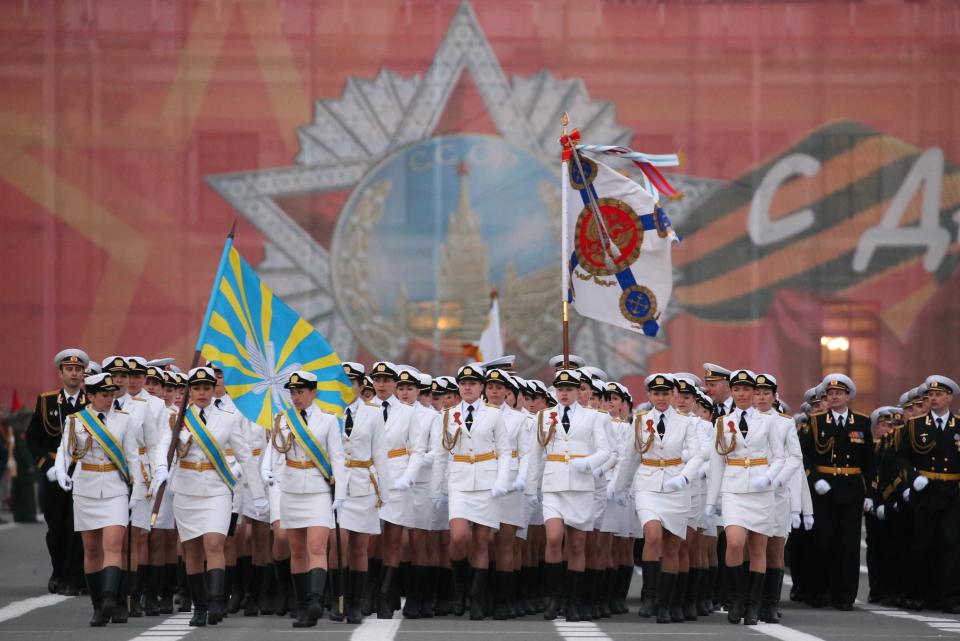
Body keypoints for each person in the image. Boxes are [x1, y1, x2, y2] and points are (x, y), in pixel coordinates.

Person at [151, 366, 267, 627]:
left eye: (206, 388)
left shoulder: (227, 417)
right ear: (189, 391)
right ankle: (200, 607)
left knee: (214, 543)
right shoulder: (177, 417)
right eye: (197, 388)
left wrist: (258, 495)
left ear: (213, 390)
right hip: (186, 489)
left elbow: (245, 456)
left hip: (217, 488)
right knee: (191, 549)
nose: (202, 393)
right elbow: (163, 446)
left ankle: (216, 600)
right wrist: (160, 468)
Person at [612, 374, 702, 624]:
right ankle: (651, 596)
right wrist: (618, 487)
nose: (661, 399)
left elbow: (697, 456)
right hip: (648, 483)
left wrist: (684, 478)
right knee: (652, 535)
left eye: (665, 393)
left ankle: (666, 602)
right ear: (649, 396)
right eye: (656, 394)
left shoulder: (687, 423)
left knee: (672, 546)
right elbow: (630, 457)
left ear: (673, 395)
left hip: (676, 484)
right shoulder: (640, 421)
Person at [52, 372, 140, 626]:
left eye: (112, 394)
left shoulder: (124, 420)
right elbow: (64, 452)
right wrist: (60, 471)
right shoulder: (76, 421)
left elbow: (132, 457)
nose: (109, 399)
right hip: (86, 487)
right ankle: (97, 605)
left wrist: (136, 491)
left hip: (115, 487)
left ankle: (111, 598)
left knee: (113, 544)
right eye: (104, 395)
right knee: (91, 549)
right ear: (90, 396)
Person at [262, 370, 347, 627]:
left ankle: (314, 601)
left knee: (317, 547)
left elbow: (338, 458)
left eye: (301, 392)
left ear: (313, 392)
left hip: (318, 489)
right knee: (296, 550)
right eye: (293, 392)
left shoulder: (328, 421)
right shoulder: (283, 419)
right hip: (290, 488)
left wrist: (340, 492)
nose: (296, 397)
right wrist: (266, 470)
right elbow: (274, 451)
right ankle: (301, 608)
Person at [525, 369, 610, 622]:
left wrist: (589, 463)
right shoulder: (544, 417)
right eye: (560, 389)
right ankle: (553, 598)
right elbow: (535, 456)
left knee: (576, 544)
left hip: (582, 485)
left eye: (569, 389)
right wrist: (532, 489)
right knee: (553, 539)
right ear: (555, 391)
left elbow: (607, 450)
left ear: (578, 392)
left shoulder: (594, 418)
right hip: (553, 485)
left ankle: (573, 600)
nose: (564, 393)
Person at [431, 363, 511, 620]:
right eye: (463, 384)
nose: (467, 387)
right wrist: (437, 489)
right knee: (458, 538)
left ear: (481, 388)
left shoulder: (494, 414)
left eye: (473, 384)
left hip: (487, 481)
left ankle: (476, 598)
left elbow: (505, 451)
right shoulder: (448, 415)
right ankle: (461, 587)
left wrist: (502, 480)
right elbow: (441, 455)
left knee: (480, 541)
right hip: (460, 481)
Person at [705, 369, 785, 626]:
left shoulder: (769, 421)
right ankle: (737, 599)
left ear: (753, 392)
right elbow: (717, 462)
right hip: (734, 487)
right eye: (737, 389)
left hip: (761, 488)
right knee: (735, 543)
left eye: (746, 389)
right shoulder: (722, 422)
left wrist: (769, 477)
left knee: (758, 547)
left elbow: (781, 456)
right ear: (732, 391)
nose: (741, 394)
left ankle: (753, 604)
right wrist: (711, 500)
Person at [799, 373, 874, 611]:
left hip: (851, 489)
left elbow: (869, 461)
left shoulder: (861, 423)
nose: (834, 397)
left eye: (838, 394)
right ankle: (822, 591)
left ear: (847, 396)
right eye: (830, 394)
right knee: (824, 541)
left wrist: (871, 493)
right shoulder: (817, 422)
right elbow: (805, 457)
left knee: (849, 545)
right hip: (824, 489)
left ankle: (845, 595)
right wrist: (815, 479)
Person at [324, 362, 391, 623]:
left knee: (359, 547)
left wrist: (384, 491)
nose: (347, 387)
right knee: (336, 543)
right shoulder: (327, 412)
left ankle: (354, 603)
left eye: (352, 382)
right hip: (335, 484)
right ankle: (336, 599)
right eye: (343, 382)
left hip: (363, 482)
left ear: (361, 385)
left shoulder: (373, 414)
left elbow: (380, 454)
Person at [27, 348, 89, 596]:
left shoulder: (90, 401)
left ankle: (75, 577)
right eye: (70, 369)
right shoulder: (47, 401)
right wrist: (47, 467)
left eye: (78, 369)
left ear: (84, 373)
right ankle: (58, 572)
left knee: (77, 526)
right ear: (61, 373)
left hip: (82, 471)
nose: (74, 373)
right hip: (54, 472)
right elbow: (33, 438)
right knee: (56, 527)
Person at [896, 375, 960, 613]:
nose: (933, 399)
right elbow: (901, 457)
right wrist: (913, 478)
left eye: (939, 395)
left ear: (949, 398)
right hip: (925, 493)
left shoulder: (958, 425)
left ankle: (949, 597)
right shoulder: (915, 425)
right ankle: (919, 594)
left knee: (951, 545)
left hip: (952, 493)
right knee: (923, 545)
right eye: (931, 395)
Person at [368, 361, 425, 619]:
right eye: (377, 379)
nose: (381, 384)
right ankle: (370, 592)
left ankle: (384, 595)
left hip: (398, 474)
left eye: (386, 380)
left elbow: (417, 449)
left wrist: (408, 477)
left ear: (393, 383)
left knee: (392, 539)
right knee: (370, 539)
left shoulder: (408, 412)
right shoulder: (363, 409)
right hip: (369, 477)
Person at [752, 373, 805, 623]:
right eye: (757, 393)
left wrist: (777, 480)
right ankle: (750, 600)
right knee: (751, 548)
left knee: (774, 548)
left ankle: (770, 605)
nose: (761, 398)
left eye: (766, 393)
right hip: (749, 492)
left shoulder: (784, 422)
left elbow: (795, 458)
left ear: (774, 396)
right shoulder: (743, 420)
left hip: (776, 493)